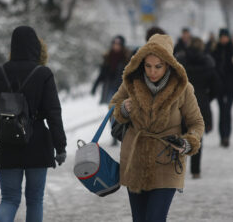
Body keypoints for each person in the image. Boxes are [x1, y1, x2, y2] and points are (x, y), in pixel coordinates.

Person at [110, 34, 204, 222]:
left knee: (155, 218)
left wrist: (187, 143)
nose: (152, 71)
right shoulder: (131, 82)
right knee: (139, 219)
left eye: (158, 66)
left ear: (168, 64)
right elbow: (114, 105)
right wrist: (122, 109)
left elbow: (196, 123)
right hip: (135, 160)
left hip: (166, 161)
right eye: (148, 66)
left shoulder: (182, 88)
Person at [0, 26, 67, 222]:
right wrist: (60, 146)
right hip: (37, 143)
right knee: (35, 200)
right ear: (36, 47)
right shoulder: (43, 73)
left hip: (6, 142)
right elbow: (54, 113)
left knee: (9, 199)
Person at [177, 37, 220, 179]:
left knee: (179, 136)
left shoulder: (180, 61)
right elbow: (216, 86)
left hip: (182, 102)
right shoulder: (208, 63)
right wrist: (207, 97)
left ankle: (178, 169)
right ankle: (196, 171)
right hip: (201, 101)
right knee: (197, 137)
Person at [211, 28, 233, 148]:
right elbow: (211, 64)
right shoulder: (215, 48)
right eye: (222, 37)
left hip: (231, 85)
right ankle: (222, 136)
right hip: (219, 84)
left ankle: (227, 137)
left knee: (227, 110)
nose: (224, 39)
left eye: (225, 37)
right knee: (221, 111)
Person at [91, 35, 131, 104]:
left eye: (118, 44)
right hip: (109, 88)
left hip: (122, 89)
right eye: (114, 44)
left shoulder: (127, 58)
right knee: (111, 107)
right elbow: (102, 75)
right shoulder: (108, 57)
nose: (116, 46)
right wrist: (95, 87)